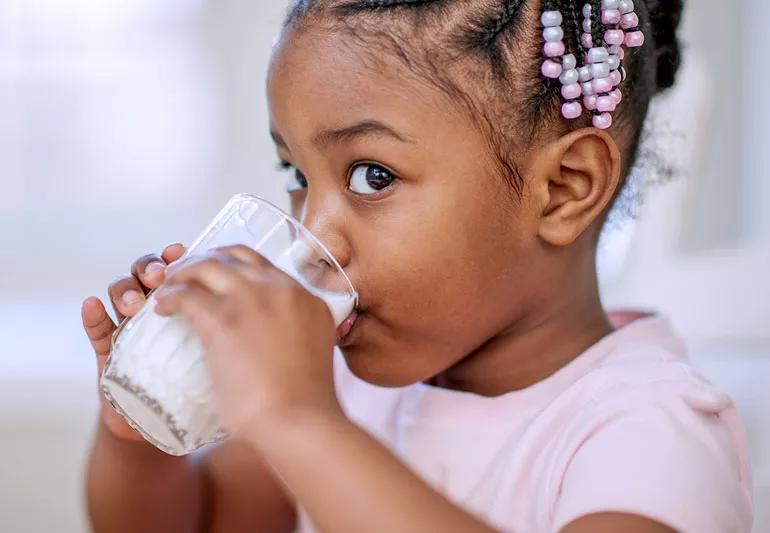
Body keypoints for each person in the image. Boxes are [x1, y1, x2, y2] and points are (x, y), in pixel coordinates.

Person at [81, 1, 754, 531]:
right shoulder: (344, 383)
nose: (313, 236)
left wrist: (301, 420)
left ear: (564, 188)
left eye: (372, 175)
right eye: (295, 171)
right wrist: (142, 428)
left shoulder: (649, 432)